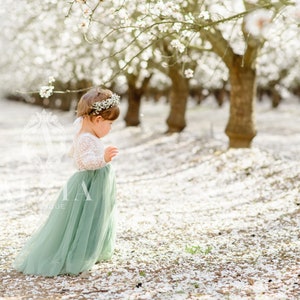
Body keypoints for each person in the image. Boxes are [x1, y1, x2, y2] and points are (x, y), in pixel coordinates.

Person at [13, 88, 120, 277]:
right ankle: (79, 252)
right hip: (90, 182)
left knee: (98, 213)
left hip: (97, 181)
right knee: (85, 216)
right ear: (97, 120)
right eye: (110, 123)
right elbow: (84, 162)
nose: (111, 128)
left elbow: (79, 126)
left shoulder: (85, 129)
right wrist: (103, 158)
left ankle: (94, 248)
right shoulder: (86, 138)